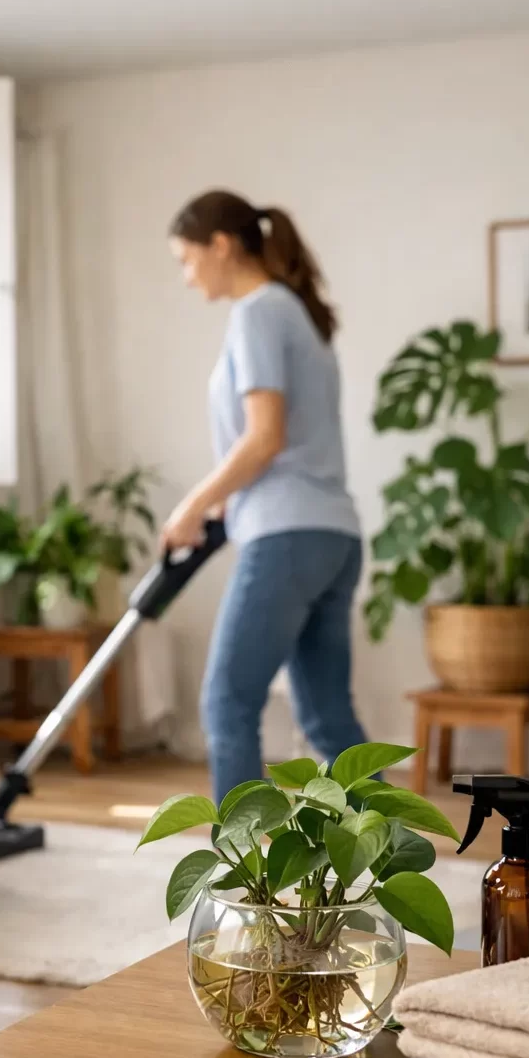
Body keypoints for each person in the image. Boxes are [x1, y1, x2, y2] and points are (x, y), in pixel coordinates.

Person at [163, 189, 368, 805]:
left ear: (221, 246)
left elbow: (264, 437)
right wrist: (228, 501)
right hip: (333, 534)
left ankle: (243, 862)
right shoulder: (297, 313)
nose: (186, 276)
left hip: (287, 536)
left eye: (186, 259)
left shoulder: (257, 312)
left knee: (227, 702)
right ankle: (388, 852)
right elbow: (286, 441)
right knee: (328, 719)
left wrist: (191, 505)